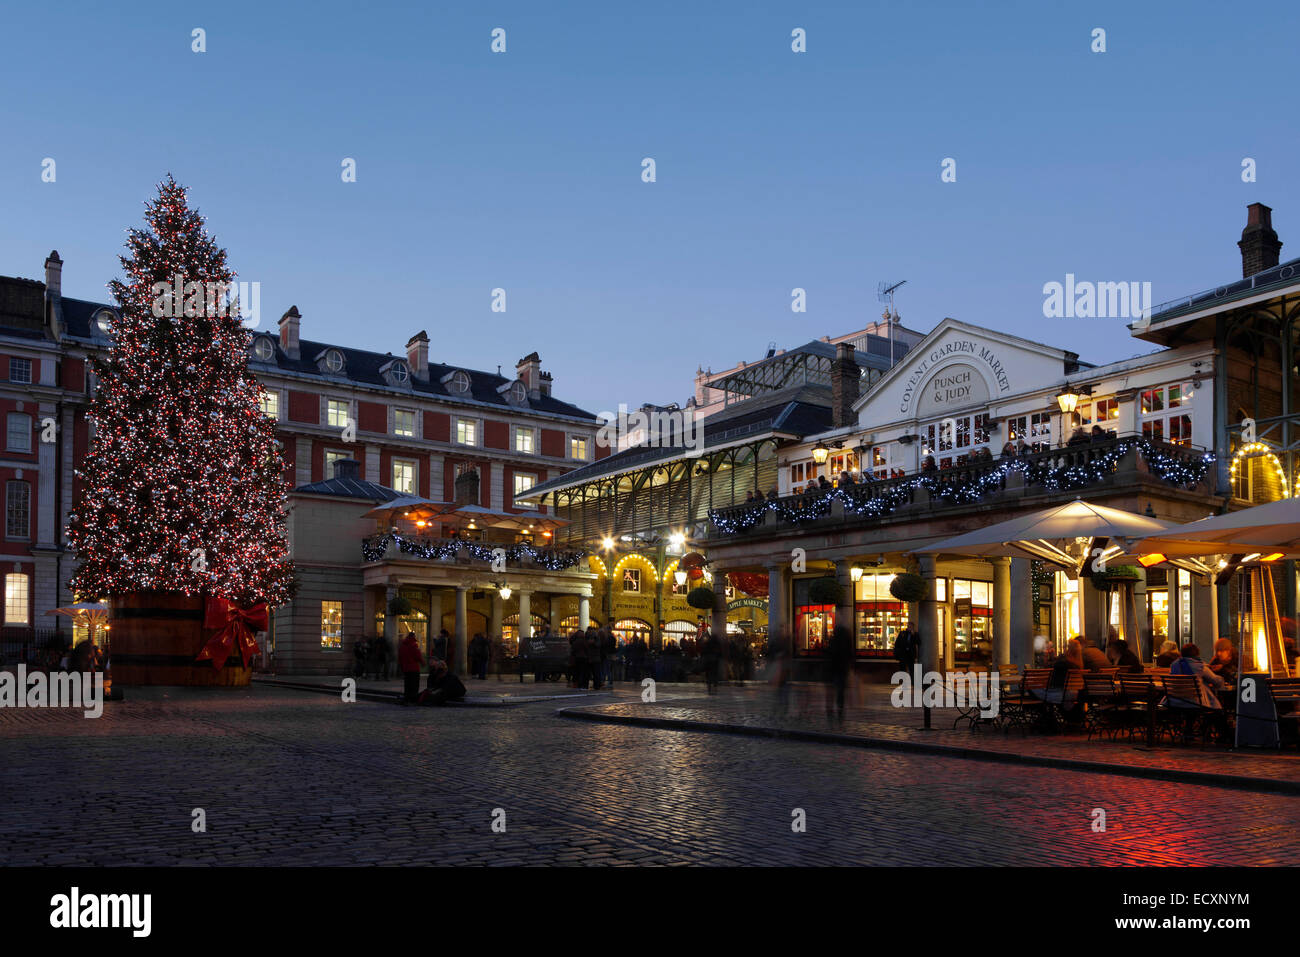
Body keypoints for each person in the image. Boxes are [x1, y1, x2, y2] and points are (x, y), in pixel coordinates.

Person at [826, 625, 854, 723]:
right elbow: (850, 655)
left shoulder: (832, 641)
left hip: (833, 669)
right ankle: (840, 708)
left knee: (832, 690)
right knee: (840, 691)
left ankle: (830, 709)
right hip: (841, 669)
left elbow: (828, 654)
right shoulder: (845, 642)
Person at [398, 630, 424, 703]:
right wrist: (423, 663)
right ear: (413, 637)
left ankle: (407, 698)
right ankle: (413, 699)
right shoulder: (413, 645)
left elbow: (400, 658)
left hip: (406, 669)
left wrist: (402, 667)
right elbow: (418, 656)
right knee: (414, 685)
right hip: (414, 669)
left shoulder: (402, 646)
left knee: (407, 685)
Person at [701, 628, 723, 694]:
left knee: (708, 673)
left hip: (708, 660)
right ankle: (715, 685)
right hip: (715, 660)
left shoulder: (708, 642)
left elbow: (704, 651)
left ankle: (709, 685)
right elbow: (720, 652)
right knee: (715, 673)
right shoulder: (717, 643)